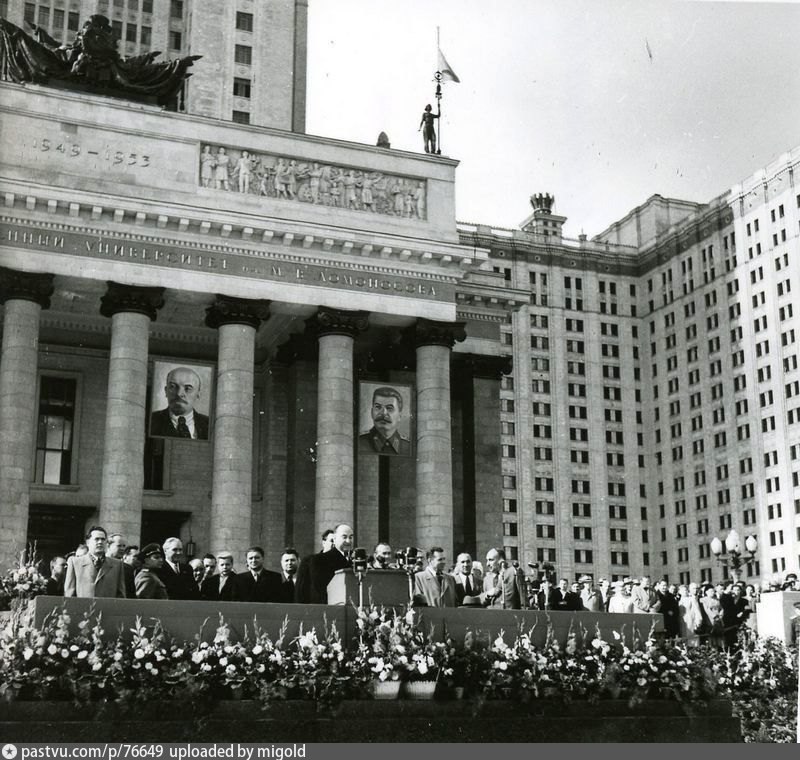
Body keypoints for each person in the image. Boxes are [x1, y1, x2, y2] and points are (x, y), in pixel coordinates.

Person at [295, 523, 353, 603]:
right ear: (335, 539)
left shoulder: (355, 561)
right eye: (344, 537)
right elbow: (302, 594)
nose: (348, 541)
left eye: (351, 537)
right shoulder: (316, 560)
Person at [64, 526, 126, 598]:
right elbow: (69, 593)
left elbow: (121, 595)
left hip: (108, 608)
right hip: (83, 608)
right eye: (96, 539)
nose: (100, 542)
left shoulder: (117, 565)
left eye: (103, 539)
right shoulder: (75, 563)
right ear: (88, 542)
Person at [150, 366, 210, 439]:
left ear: (198, 393)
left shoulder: (210, 424)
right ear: (166, 391)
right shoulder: (151, 420)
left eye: (188, 388)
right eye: (173, 387)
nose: (179, 394)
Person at [358, 386, 411, 456]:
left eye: (389, 408)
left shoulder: (409, 447)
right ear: (371, 412)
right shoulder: (358, 442)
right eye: (378, 407)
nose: (383, 413)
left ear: (399, 416)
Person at [107, 533, 136, 598]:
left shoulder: (128, 569)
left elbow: (131, 594)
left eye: (124, 546)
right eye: (119, 546)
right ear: (108, 546)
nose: (122, 549)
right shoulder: (100, 565)